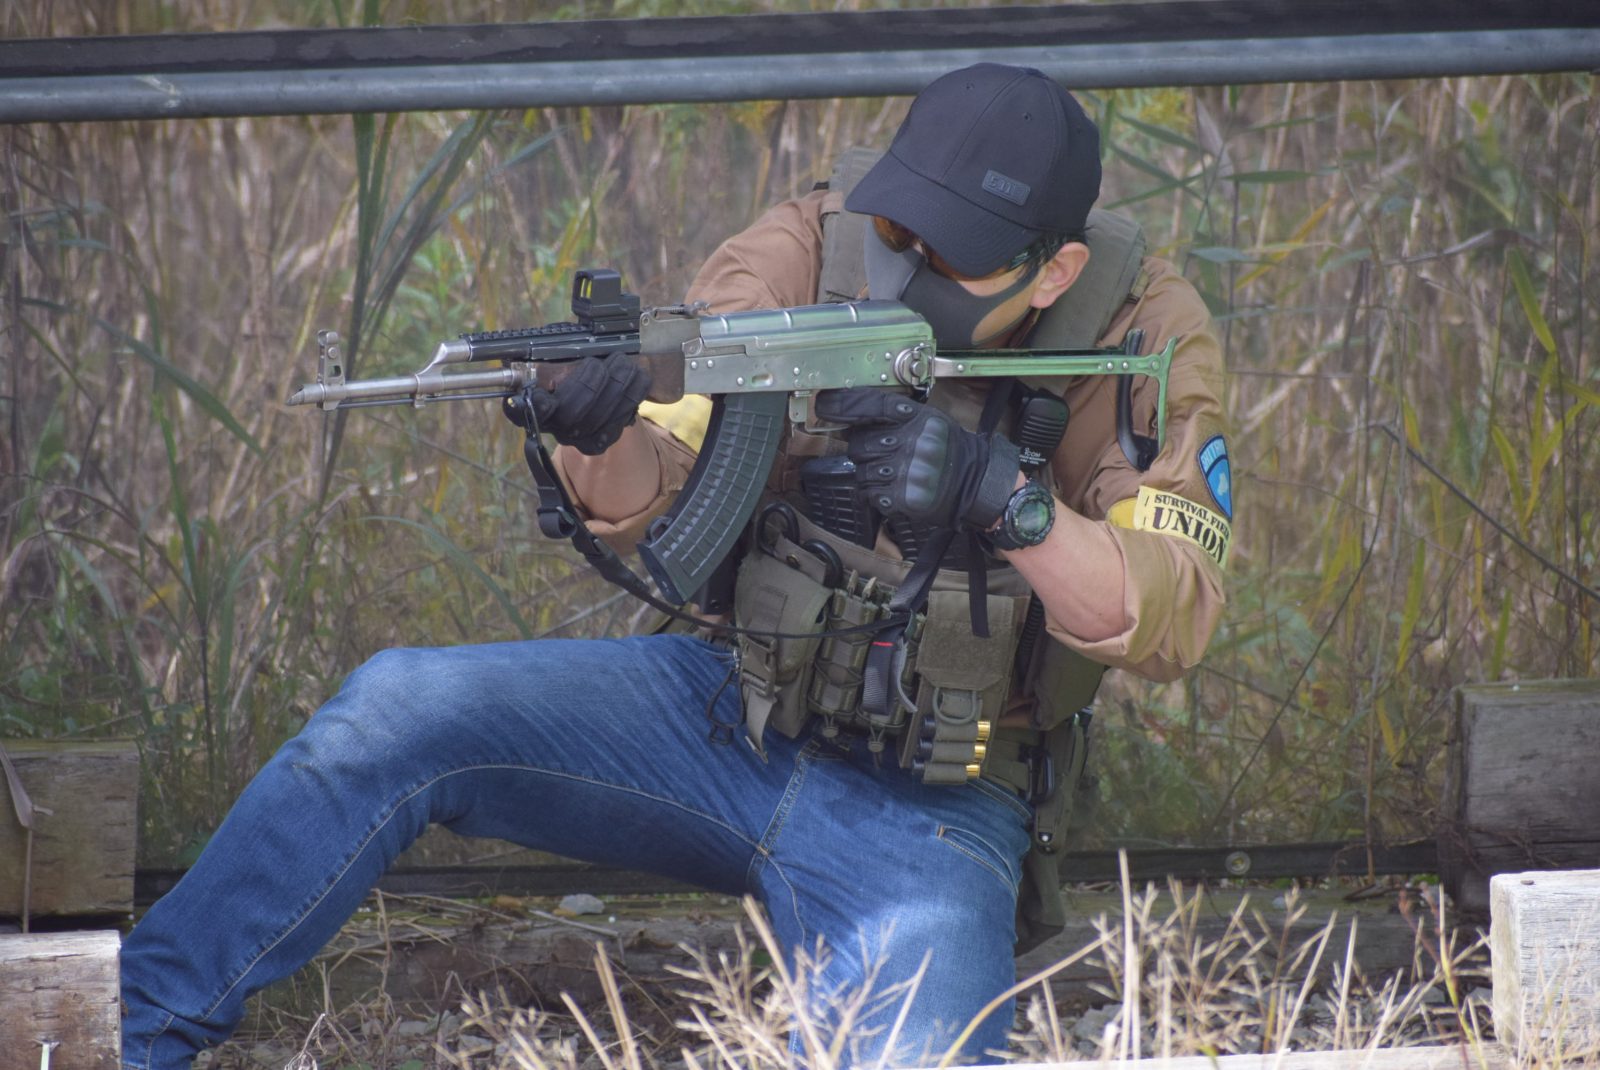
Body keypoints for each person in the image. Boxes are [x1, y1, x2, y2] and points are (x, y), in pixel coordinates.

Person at [120, 63, 1230, 1069]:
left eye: (954, 252)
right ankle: (121, 1031)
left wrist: (1003, 499)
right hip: (727, 715)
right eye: (901, 227)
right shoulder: (814, 245)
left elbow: (1173, 611)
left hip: (940, 793)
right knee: (392, 712)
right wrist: (595, 430)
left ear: (1055, 270)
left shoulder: (1143, 335)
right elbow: (663, 476)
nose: (906, 261)